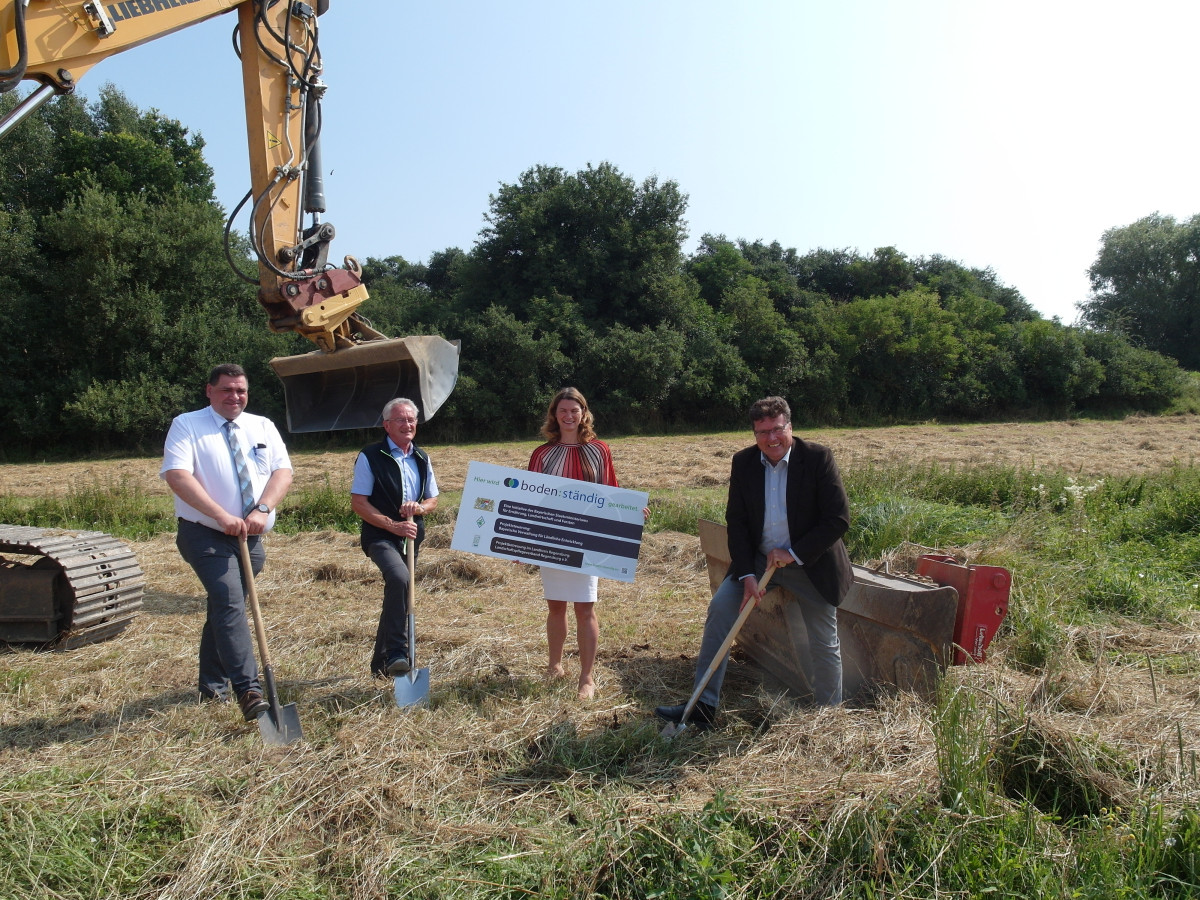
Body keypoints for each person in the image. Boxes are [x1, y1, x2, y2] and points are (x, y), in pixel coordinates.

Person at [654, 396, 851, 729]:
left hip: (811, 563)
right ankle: (703, 706)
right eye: (762, 432)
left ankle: (829, 720)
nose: (771, 439)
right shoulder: (744, 463)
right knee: (720, 611)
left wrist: (794, 553)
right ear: (754, 433)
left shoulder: (817, 458)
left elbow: (837, 518)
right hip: (759, 562)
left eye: (777, 430)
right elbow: (739, 522)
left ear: (790, 427)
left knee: (823, 639)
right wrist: (746, 573)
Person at [161, 363, 293, 722]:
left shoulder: (261, 425)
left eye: (241, 391)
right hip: (204, 533)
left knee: (224, 607)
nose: (235, 397)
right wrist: (221, 515)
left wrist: (263, 508)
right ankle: (249, 690)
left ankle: (211, 686)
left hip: (250, 538)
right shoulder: (187, 424)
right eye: (226, 390)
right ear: (209, 391)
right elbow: (177, 475)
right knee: (229, 599)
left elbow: (283, 471)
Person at [528, 387, 627, 701]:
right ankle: (554, 666)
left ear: (584, 413)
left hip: (587, 538)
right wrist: (520, 543)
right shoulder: (541, 454)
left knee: (585, 608)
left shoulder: (599, 450)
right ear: (554, 416)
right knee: (555, 606)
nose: (569, 416)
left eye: (574, 411)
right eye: (563, 411)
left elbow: (611, 491)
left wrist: (629, 512)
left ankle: (587, 678)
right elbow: (529, 500)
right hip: (551, 538)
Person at [351, 397, 439, 679]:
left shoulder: (422, 457)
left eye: (412, 419)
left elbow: (433, 498)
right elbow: (359, 503)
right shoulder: (371, 456)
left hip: (412, 537)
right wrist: (391, 525)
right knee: (400, 579)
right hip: (380, 536)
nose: (408, 424)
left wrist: (420, 508)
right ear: (386, 425)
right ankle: (400, 652)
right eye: (401, 419)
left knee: (399, 592)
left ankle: (382, 664)